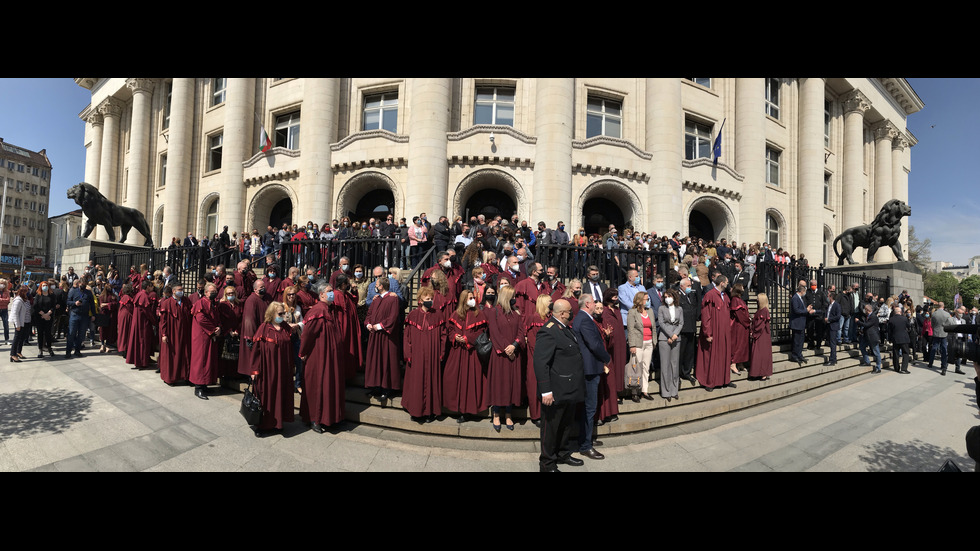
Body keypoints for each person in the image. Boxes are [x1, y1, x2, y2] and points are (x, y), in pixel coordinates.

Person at [534, 298, 586, 472]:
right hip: (555, 390)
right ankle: (547, 463)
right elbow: (541, 363)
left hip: (569, 387)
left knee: (566, 425)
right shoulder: (548, 331)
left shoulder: (564, 329)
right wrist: (545, 390)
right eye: (570, 310)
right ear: (562, 313)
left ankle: (563, 453)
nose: (572, 313)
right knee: (551, 428)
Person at [298, 282, 345, 433]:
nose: (333, 293)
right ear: (321, 294)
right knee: (317, 386)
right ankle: (314, 418)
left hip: (331, 357)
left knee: (328, 386)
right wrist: (302, 353)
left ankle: (328, 418)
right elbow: (308, 335)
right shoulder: (317, 311)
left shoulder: (329, 310)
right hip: (319, 357)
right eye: (330, 291)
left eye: (333, 290)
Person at [243, 302, 295, 437]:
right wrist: (254, 370)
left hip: (282, 369)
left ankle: (278, 423)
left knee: (280, 395)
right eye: (280, 313)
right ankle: (263, 425)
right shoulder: (264, 328)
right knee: (266, 396)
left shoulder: (285, 327)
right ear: (272, 314)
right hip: (267, 370)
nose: (283, 316)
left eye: (283, 313)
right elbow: (256, 352)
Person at [572, 293, 610, 460]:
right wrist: (606, 357)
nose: (596, 304)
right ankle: (585, 445)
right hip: (589, 369)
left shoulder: (583, 318)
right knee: (590, 407)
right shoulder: (584, 319)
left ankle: (586, 439)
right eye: (594, 302)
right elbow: (594, 344)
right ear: (587, 304)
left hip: (589, 368)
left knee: (589, 408)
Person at [402, 287, 446, 423]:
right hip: (416, 355)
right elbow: (407, 337)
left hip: (433, 355)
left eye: (431, 299)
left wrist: (441, 352)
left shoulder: (438, 315)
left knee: (431, 381)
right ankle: (416, 411)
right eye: (427, 299)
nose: (430, 301)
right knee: (417, 382)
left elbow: (443, 336)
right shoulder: (413, 315)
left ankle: (430, 412)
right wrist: (408, 353)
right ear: (420, 300)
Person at [483, 284, 524, 432]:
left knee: (511, 385)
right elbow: (494, 333)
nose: (514, 299)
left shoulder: (516, 313)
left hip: (514, 354)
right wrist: (507, 348)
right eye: (512, 297)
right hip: (500, 355)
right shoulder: (494, 312)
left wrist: (515, 345)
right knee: (499, 385)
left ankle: (508, 413)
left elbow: (521, 332)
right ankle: (496, 414)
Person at [443, 289, 487, 423]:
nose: (472, 299)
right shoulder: (456, 314)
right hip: (457, 352)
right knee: (454, 379)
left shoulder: (479, 314)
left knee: (471, 380)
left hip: (472, 352)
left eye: (473, 297)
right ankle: (457, 408)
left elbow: (482, 332)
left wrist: (468, 338)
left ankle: (469, 410)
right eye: (470, 297)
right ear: (463, 300)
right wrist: (455, 336)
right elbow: (450, 330)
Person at [364, 276, 402, 399]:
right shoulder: (376, 299)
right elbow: (369, 314)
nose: (375, 286)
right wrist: (369, 324)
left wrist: (379, 326)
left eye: (377, 284)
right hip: (374, 335)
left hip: (386, 336)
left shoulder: (392, 299)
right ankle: (376, 386)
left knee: (386, 360)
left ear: (381, 286)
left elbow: (393, 317)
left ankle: (387, 388)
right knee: (375, 361)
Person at [696, 275, 735, 392]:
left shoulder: (725, 296)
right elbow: (706, 316)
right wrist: (707, 333)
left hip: (724, 332)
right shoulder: (710, 295)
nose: (728, 284)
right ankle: (710, 381)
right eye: (727, 282)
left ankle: (724, 379)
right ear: (722, 283)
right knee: (712, 356)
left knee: (724, 355)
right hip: (714, 331)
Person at [522, 294, 552, 427]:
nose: (552, 303)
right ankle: (536, 415)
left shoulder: (550, 318)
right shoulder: (534, 318)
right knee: (535, 386)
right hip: (536, 358)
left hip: (549, 358)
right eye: (550, 301)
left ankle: (546, 413)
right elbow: (533, 342)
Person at [190, 283, 223, 399]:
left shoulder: (214, 304)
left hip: (210, 336)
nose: (214, 293)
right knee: (201, 361)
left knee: (208, 361)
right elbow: (201, 319)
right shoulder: (201, 303)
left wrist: (219, 327)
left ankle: (204, 385)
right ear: (206, 292)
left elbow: (217, 317)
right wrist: (214, 330)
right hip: (202, 337)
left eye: (215, 291)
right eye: (212, 291)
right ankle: (198, 387)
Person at [159, 283, 193, 385]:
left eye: (182, 289)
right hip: (172, 333)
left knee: (185, 354)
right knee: (172, 355)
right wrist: (164, 334)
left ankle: (185, 376)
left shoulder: (186, 301)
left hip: (185, 332)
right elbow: (163, 320)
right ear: (173, 291)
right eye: (179, 289)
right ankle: (170, 378)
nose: (181, 291)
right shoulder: (167, 303)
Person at [626, 290, 656, 402]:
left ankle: (645, 390)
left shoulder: (650, 311)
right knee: (635, 368)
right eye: (646, 299)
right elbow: (631, 329)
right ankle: (634, 392)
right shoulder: (632, 312)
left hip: (649, 343)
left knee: (646, 367)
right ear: (640, 300)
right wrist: (632, 344)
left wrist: (654, 341)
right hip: (638, 343)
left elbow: (653, 328)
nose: (648, 301)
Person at [657, 288, 683, 402]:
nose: (667, 299)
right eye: (665, 297)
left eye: (669, 296)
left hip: (676, 338)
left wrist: (675, 334)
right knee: (665, 365)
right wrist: (670, 334)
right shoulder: (661, 308)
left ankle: (674, 390)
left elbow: (681, 322)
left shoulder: (679, 309)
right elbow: (661, 323)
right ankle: (666, 391)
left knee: (675, 364)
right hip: (664, 337)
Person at [125, 280, 158, 369]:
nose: (152, 288)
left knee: (139, 342)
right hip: (143, 324)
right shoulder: (144, 296)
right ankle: (142, 362)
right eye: (151, 286)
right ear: (147, 287)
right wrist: (154, 321)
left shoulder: (139, 294)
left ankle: (143, 360)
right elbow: (147, 312)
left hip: (138, 322)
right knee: (142, 342)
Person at [676, 277, 700, 386]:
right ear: (682, 286)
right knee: (681, 352)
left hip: (691, 327)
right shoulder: (677, 295)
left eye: (690, 286)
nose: (690, 288)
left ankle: (686, 372)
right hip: (682, 329)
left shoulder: (690, 295)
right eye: (688, 286)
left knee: (689, 352)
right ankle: (678, 374)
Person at [66, 280, 96, 359]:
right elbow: (68, 302)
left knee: (81, 334)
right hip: (74, 314)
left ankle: (77, 350)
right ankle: (68, 351)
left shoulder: (88, 293)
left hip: (84, 316)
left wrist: (93, 314)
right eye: (81, 283)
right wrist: (74, 303)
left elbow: (92, 304)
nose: (82, 284)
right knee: (71, 333)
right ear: (79, 284)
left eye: (84, 283)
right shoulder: (73, 291)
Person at [748, 293, 773, 380]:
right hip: (758, 335)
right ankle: (757, 373)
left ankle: (763, 373)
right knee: (757, 354)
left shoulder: (764, 311)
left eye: (758, 299)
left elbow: (760, 325)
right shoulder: (759, 310)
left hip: (762, 336)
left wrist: (754, 333)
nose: (757, 300)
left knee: (761, 355)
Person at [729, 283, 750, 374]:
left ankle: (740, 363)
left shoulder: (739, 299)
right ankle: (733, 364)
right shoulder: (735, 300)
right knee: (738, 345)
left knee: (743, 345)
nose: (743, 288)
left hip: (743, 326)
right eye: (741, 287)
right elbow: (739, 314)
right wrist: (748, 321)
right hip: (739, 326)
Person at [33, 281, 57, 358]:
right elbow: (35, 306)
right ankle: (40, 349)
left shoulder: (52, 295)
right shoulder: (38, 295)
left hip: (49, 317)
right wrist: (43, 314)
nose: (45, 287)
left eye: (46, 285)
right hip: (40, 317)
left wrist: (48, 314)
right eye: (43, 285)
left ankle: (49, 348)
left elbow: (53, 306)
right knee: (40, 333)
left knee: (48, 333)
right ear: (40, 286)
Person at [789, 283, 812, 366]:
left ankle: (799, 354)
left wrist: (807, 309)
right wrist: (806, 310)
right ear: (802, 291)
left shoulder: (801, 298)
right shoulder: (795, 298)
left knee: (801, 340)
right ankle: (795, 355)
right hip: (797, 323)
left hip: (801, 323)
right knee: (797, 340)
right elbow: (796, 310)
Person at [927, 303, 952, 376]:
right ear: (943, 306)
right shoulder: (947, 314)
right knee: (944, 349)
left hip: (936, 332)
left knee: (934, 347)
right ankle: (943, 365)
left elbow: (932, 324)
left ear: (938, 306)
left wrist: (935, 328)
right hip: (944, 333)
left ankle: (930, 363)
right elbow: (949, 323)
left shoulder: (934, 314)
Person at [887, 304, 912, 374]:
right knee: (905, 353)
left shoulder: (891, 320)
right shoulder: (904, 318)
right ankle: (904, 368)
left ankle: (896, 368)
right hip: (904, 338)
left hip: (895, 339)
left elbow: (889, 331)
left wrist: (889, 339)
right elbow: (909, 326)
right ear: (900, 312)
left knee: (895, 354)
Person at [859, 303, 883, 373]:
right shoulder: (867, 316)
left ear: (867, 310)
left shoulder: (873, 317)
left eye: (865, 309)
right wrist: (862, 331)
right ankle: (867, 361)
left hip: (873, 337)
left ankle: (878, 367)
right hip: (867, 336)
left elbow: (867, 325)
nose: (864, 311)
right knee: (862, 347)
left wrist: (858, 322)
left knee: (876, 352)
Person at [9, 286, 30, 362]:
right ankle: (13, 354)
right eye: (26, 291)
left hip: (24, 321)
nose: (27, 293)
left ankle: (18, 352)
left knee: (21, 338)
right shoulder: (18, 300)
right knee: (17, 338)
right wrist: (17, 325)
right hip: (19, 322)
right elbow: (15, 313)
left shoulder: (24, 300)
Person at [824, 291, 842, 366]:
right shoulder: (829, 305)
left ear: (831, 297)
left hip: (833, 326)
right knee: (831, 343)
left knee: (833, 343)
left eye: (828, 296)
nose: (827, 297)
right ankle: (833, 357)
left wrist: (829, 319)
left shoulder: (837, 305)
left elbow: (838, 316)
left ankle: (833, 359)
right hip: (829, 326)